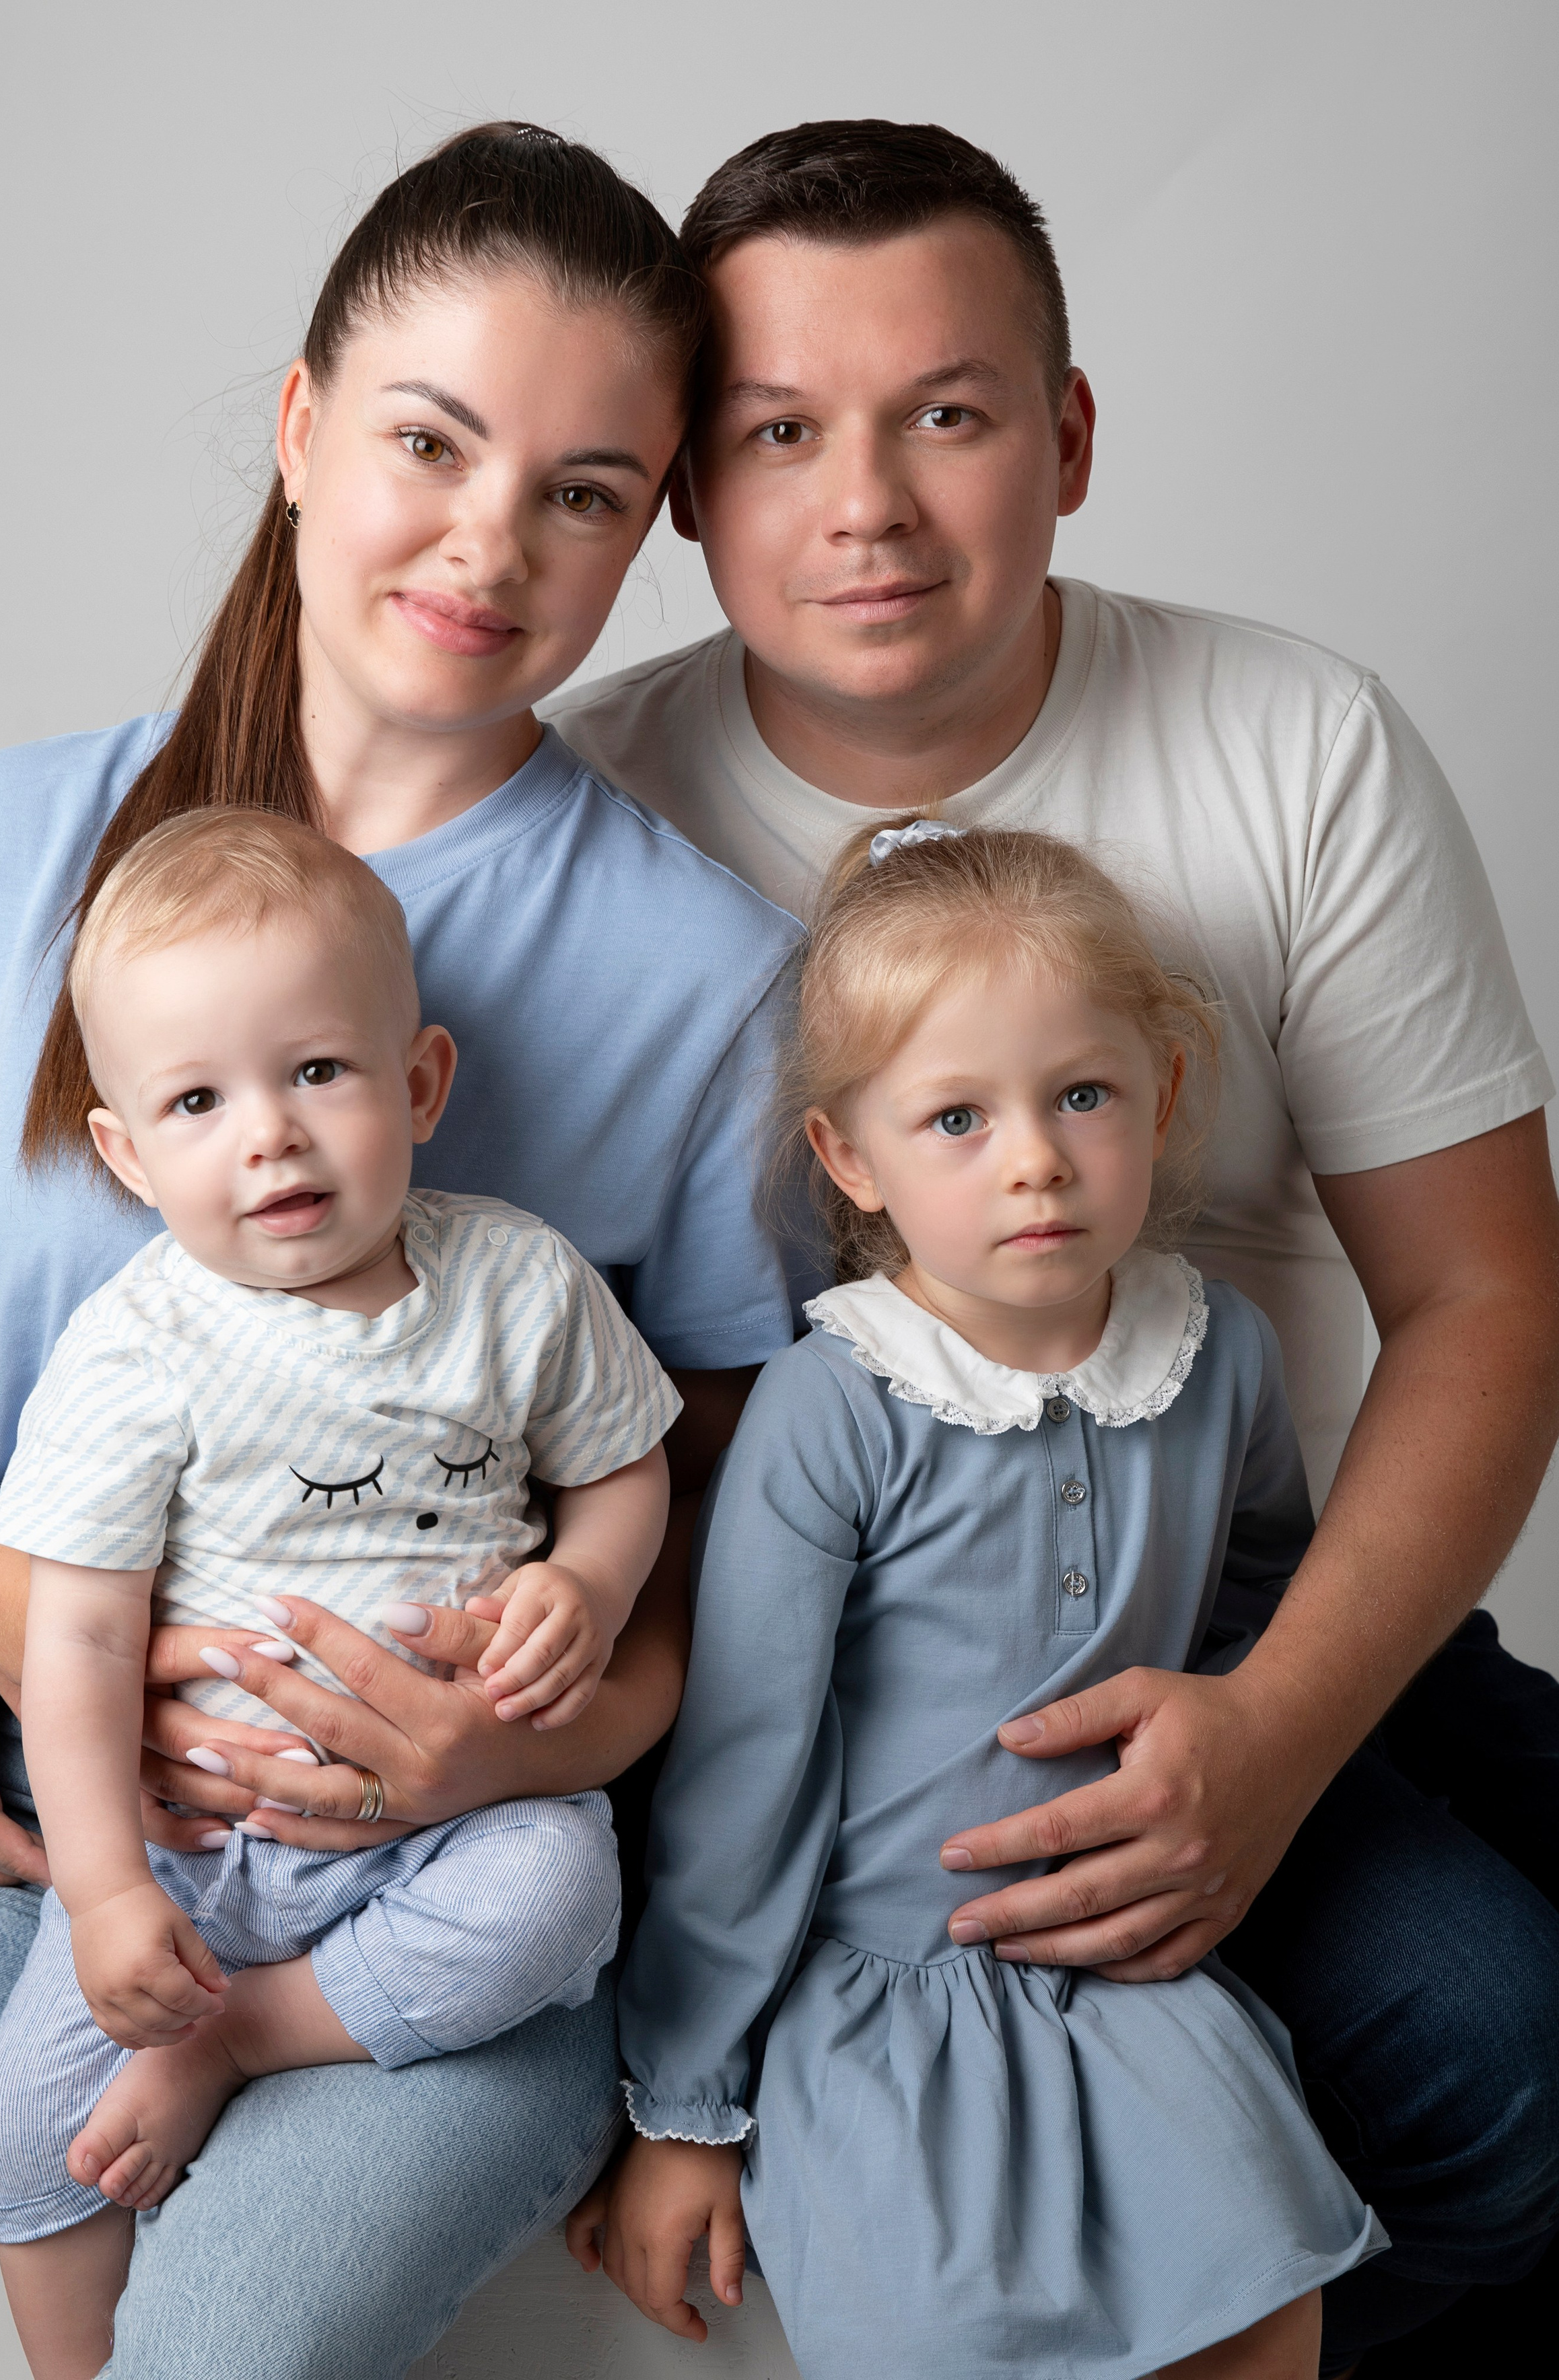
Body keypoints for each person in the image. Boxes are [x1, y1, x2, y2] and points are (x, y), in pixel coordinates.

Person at [559, 120, 1559, 2370]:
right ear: (689, 489)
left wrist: (1281, 1730)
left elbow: (1489, 1296)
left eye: (951, 413)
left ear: (1071, 438)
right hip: (858, 1668)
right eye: (780, 430)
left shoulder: (1293, 741)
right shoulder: (587, 817)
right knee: (1494, 2046)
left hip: (1251, 1593)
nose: (872, 503)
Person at [0, 124, 800, 2380]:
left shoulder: (710, 975)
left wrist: (496, 1754)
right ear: (298, 427)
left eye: (584, 487)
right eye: (429, 442)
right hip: (23, 1804)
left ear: (652, 525)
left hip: (450, 1887)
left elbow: (734, 1557)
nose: (491, 541)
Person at [604, 817, 1383, 2379]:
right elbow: (748, 1768)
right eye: (953, 1117)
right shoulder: (832, 1403)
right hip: (887, 2007)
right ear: (850, 1158)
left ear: (1160, 1095)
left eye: (1079, 1094)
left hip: (1136, 1973)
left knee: (1261, 2305)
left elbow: (1260, 1599)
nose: (1032, 1156)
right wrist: (685, 2103)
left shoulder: (1212, 1349)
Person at [0, 808, 681, 2378]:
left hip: (455, 1823)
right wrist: (104, 1895)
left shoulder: (515, 1281)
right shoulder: (137, 1344)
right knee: (30, 2120)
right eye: (197, 1100)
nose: (269, 1136)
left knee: (555, 1902)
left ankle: (249, 2033)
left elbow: (628, 1471)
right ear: (127, 1154)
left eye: (317, 1072)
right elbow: (78, 1637)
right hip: (205, 1836)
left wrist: (587, 1574)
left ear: (418, 1083)